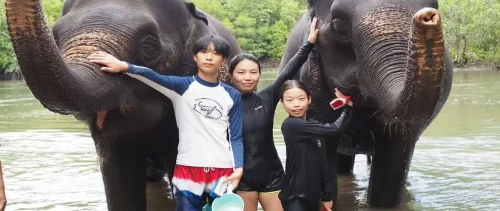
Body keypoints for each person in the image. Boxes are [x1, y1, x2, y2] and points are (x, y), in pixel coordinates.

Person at [88, 34, 243, 211]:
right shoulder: (181, 87)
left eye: (215, 53)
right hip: (188, 172)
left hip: (223, 172)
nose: (209, 57)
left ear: (223, 60)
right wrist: (125, 66)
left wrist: (238, 168)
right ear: (195, 57)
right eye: (203, 51)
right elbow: (151, 76)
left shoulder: (232, 95)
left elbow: (236, 136)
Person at [228, 17, 319, 211]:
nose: (247, 77)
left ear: (259, 75)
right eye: (241, 72)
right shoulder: (224, 102)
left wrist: (309, 43)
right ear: (231, 75)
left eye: (253, 72)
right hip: (242, 177)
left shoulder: (267, 97)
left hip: (273, 175)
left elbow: (288, 72)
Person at [278, 80, 353, 211]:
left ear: (309, 99)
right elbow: (334, 129)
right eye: (289, 100)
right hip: (295, 197)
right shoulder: (291, 125)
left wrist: (326, 196)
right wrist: (349, 106)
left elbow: (322, 164)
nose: (296, 105)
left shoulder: (313, 126)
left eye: (301, 99)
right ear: (282, 102)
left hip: (312, 196)